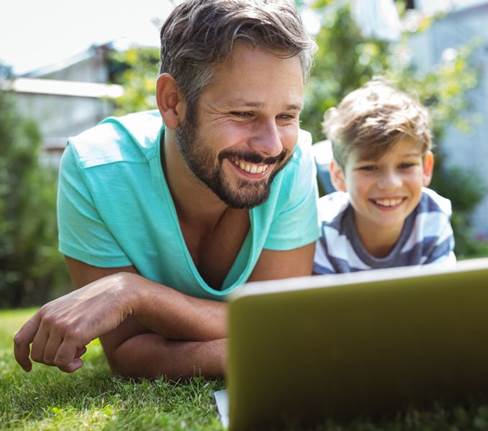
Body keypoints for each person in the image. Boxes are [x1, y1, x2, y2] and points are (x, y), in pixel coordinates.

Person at [13, 0, 319, 378]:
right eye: (243, 114)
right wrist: (262, 347)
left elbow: (281, 322)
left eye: (287, 115)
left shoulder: (294, 161)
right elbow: (129, 350)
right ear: (172, 103)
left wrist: (134, 293)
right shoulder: (96, 171)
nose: (272, 145)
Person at [313, 80, 456, 274]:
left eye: (405, 165)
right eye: (369, 168)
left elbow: (440, 299)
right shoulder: (320, 229)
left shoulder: (432, 216)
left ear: (426, 168)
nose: (390, 184)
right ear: (338, 176)